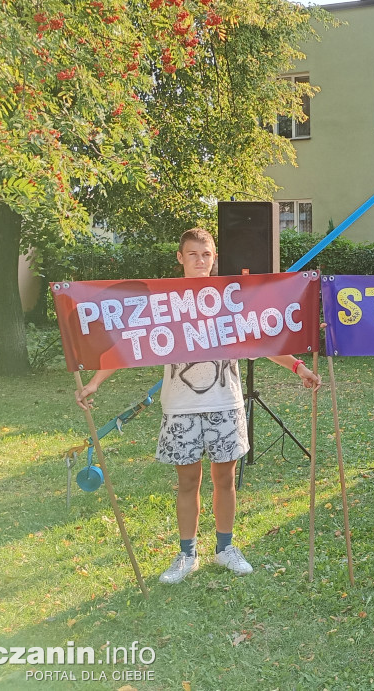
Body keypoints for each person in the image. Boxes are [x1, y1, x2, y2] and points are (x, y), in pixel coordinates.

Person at [75, 228, 321, 584]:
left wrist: (299, 367)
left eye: (206, 255)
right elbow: (129, 343)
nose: (200, 261)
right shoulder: (163, 301)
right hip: (180, 406)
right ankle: (187, 554)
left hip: (226, 402)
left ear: (214, 257)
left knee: (226, 479)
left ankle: (225, 549)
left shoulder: (230, 299)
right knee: (188, 482)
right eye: (193, 254)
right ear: (179, 257)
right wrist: (94, 382)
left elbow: (262, 338)